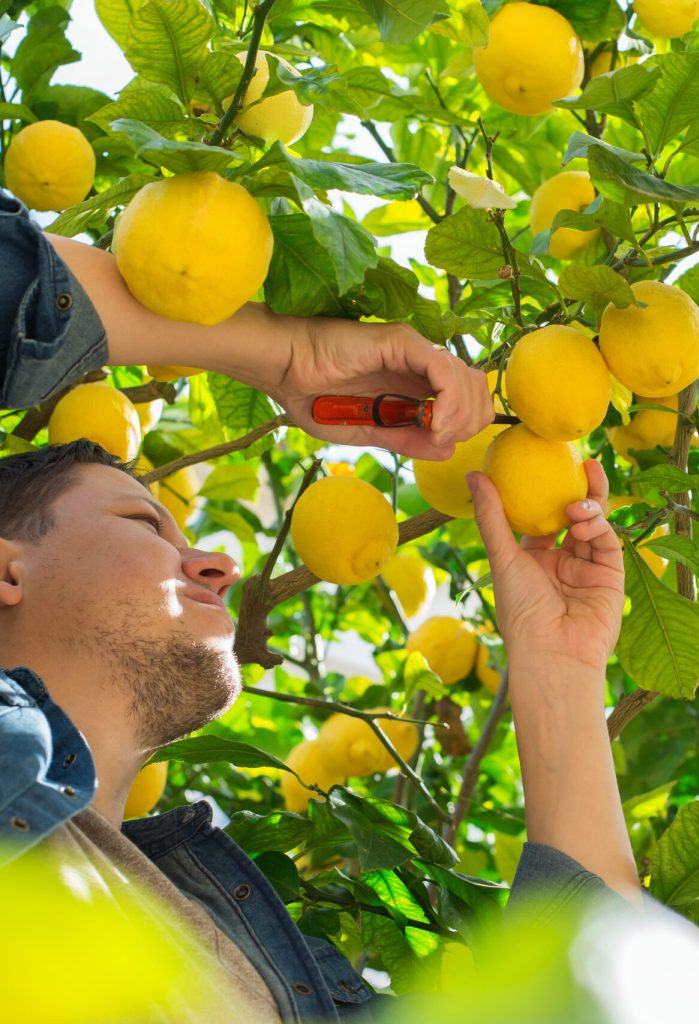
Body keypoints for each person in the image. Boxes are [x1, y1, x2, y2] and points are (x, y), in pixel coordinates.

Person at [0, 190, 642, 1022]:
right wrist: (285, 352)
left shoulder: (259, 966)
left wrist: (559, 669)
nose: (218, 563)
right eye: (143, 522)